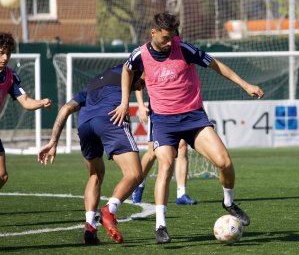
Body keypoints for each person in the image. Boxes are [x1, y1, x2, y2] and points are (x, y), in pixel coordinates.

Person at [110, 12, 264, 244]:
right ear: (153, 33)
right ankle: (161, 224)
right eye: (165, 38)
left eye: (172, 37)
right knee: (166, 166)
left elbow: (216, 65)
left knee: (225, 162)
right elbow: (127, 70)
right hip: (163, 122)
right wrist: (125, 102)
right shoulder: (139, 54)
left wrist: (246, 85)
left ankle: (229, 202)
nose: (170, 42)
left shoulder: (184, 48)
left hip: (193, 118)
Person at [38, 64, 145, 244]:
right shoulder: (132, 66)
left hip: (85, 124)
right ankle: (109, 210)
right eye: (142, 82)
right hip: (110, 117)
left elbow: (65, 108)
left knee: (95, 174)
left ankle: (90, 227)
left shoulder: (92, 84)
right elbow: (146, 70)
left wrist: (53, 141)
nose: (142, 86)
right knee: (134, 174)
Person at [0, 32, 52, 189]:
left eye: (8, 53)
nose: (5, 58)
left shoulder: (10, 76)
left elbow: (26, 101)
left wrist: (41, 102)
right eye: (1, 53)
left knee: (2, 176)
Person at [131, 89, 196, 205]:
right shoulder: (149, 69)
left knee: (183, 147)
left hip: (181, 107)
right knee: (152, 153)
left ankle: (181, 194)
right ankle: (138, 184)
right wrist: (141, 105)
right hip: (160, 110)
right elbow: (139, 83)